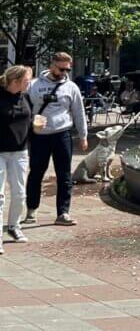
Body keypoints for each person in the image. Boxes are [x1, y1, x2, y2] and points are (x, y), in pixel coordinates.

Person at [24, 52, 88, 227]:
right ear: (52, 65)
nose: (64, 72)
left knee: (64, 175)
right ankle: (31, 210)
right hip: (39, 136)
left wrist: (83, 136)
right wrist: (30, 124)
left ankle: (63, 213)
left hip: (62, 134)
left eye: (67, 69)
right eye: (61, 68)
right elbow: (24, 108)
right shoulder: (34, 85)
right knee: (36, 172)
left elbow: (78, 112)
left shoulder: (71, 87)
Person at [0, 65, 33, 250]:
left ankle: (14, 226)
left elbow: (30, 118)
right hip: (0, 152)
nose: (29, 83)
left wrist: (35, 129)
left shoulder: (25, 96)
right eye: (27, 80)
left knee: (20, 193)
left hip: (20, 151)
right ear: (15, 81)